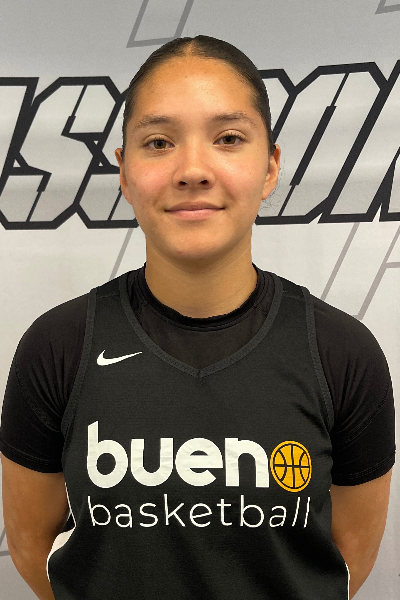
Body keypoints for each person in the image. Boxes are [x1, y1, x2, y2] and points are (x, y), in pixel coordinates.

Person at [0, 35, 395, 600]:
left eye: (228, 138)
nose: (192, 170)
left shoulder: (342, 353)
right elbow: (33, 548)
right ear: (124, 172)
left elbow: (346, 560)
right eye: (159, 142)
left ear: (270, 166)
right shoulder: (58, 347)